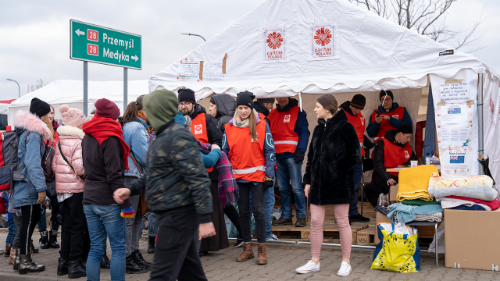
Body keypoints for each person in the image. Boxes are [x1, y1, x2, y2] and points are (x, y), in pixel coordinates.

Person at [113, 89, 215, 281]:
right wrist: (130, 189)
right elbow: (153, 173)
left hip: (179, 214)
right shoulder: (160, 137)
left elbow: (198, 178)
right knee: (190, 272)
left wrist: (204, 217)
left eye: (150, 110)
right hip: (170, 213)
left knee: (161, 275)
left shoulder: (178, 137)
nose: (146, 114)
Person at [296, 94, 360, 277]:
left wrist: (333, 169)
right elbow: (312, 158)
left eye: (317, 106)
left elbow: (354, 156)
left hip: (339, 184)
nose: (314, 110)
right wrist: (307, 180)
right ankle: (314, 261)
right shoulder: (317, 130)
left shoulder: (346, 127)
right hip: (318, 184)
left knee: (342, 221)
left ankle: (346, 262)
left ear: (327, 108)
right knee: (315, 223)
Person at [222, 91, 276, 265]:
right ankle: (247, 249)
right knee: (244, 213)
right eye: (240, 108)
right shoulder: (229, 127)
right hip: (238, 177)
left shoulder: (262, 125)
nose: (243, 111)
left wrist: (269, 173)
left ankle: (262, 250)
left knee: (259, 212)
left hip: (258, 176)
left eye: (246, 108)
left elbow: (269, 150)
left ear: (251, 108)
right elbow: (224, 152)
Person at [82, 98, 132, 281]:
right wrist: (126, 204)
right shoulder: (111, 138)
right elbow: (114, 174)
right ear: (112, 117)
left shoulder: (87, 135)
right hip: (109, 200)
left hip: (89, 198)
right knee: (118, 248)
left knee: (96, 248)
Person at [178, 88, 228, 256]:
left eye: (185, 103)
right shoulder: (177, 121)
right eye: (180, 103)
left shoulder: (206, 119)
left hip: (207, 171)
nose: (182, 106)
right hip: (186, 174)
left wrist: (210, 151)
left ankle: (207, 246)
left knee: (209, 208)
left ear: (193, 104)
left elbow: (218, 141)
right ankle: (194, 246)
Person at [12, 97, 53, 274]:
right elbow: (33, 163)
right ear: (42, 116)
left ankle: (21, 259)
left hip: (23, 183)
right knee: (28, 223)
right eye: (49, 114)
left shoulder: (25, 132)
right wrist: (41, 188)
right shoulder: (34, 134)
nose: (51, 118)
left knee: (30, 220)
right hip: (29, 185)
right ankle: (24, 261)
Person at [51, 104, 87, 278]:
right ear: (77, 123)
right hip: (76, 189)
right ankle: (74, 264)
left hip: (62, 190)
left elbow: (53, 166)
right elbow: (81, 169)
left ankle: (63, 263)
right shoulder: (78, 142)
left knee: (66, 226)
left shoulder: (60, 141)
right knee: (78, 226)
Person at [209, 94, 244, 247]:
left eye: (212, 105)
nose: (210, 108)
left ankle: (242, 233)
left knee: (225, 203)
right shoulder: (229, 119)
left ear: (220, 106)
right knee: (226, 203)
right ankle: (242, 233)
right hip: (227, 166)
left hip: (221, 166)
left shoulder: (222, 121)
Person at [269, 97, 310, 227]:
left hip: (293, 155)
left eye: (284, 96)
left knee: (296, 187)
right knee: (282, 188)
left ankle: (301, 216)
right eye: (279, 97)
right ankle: (286, 216)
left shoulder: (298, 111)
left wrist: (301, 150)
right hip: (277, 156)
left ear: (289, 97)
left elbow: (305, 132)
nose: (281, 99)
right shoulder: (272, 114)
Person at [121, 98, 151, 273]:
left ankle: (132, 253)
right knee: (131, 219)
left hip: (130, 176)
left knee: (135, 217)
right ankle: (128, 256)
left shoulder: (128, 125)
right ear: (142, 110)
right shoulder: (137, 128)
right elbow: (145, 157)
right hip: (132, 177)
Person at [364, 124, 418, 207]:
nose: (408, 140)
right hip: (382, 175)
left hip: (400, 175)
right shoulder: (382, 143)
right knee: (392, 188)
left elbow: (413, 161)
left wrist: (405, 165)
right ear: (400, 134)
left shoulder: (407, 145)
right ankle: (385, 207)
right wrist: (388, 177)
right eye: (407, 137)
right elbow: (378, 163)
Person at [340, 95, 370, 223]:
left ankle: (353, 212)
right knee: (345, 186)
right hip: (346, 157)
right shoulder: (341, 115)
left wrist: (367, 143)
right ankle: (343, 214)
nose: (357, 110)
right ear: (351, 104)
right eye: (355, 107)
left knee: (355, 186)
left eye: (360, 108)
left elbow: (359, 135)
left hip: (359, 157)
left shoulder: (361, 117)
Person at [253, 98, 279, 241]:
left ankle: (254, 233)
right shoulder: (263, 122)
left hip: (252, 170)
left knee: (253, 204)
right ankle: (267, 233)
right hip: (265, 169)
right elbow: (268, 148)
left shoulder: (243, 123)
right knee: (268, 202)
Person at [38, 104, 61, 250]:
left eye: (52, 112)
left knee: (56, 207)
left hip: (57, 175)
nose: (50, 115)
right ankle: (43, 236)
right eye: (48, 112)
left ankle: (53, 235)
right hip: (41, 174)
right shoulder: (37, 130)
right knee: (41, 207)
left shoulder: (59, 130)